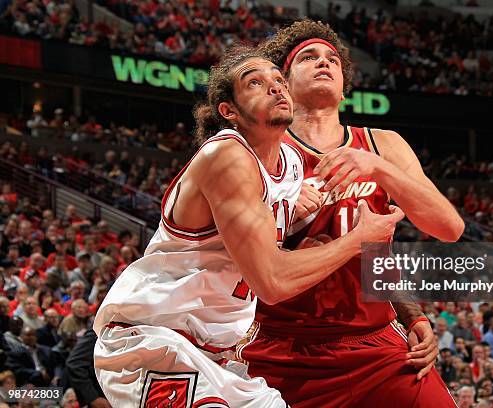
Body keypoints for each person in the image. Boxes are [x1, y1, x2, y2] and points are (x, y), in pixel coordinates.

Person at [93, 45, 403, 407]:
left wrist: (303, 241)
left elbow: (262, 251)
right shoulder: (225, 155)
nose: (275, 87)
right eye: (255, 82)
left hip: (221, 355)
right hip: (155, 341)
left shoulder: (288, 163)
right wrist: (359, 241)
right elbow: (272, 282)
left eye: (277, 79)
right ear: (229, 111)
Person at [241, 20, 463, 407]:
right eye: (308, 57)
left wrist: (412, 315)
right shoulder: (254, 151)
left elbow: (448, 227)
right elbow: (242, 263)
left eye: (332, 60)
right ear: (285, 84)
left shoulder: (382, 144)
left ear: (344, 89)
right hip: (283, 347)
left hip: (375, 343)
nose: (323, 62)